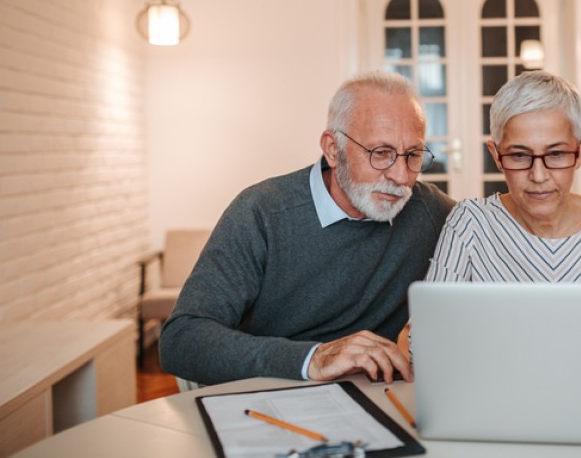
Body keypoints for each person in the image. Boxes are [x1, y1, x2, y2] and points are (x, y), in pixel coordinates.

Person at [159, 70, 455, 386]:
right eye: (380, 153)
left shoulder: (429, 211)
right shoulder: (262, 212)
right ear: (332, 148)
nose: (400, 175)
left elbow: (495, 226)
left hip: (371, 399)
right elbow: (181, 339)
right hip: (265, 392)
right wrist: (313, 358)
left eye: (413, 155)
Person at [422, 70, 581, 361]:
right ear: (496, 155)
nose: (538, 176)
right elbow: (428, 341)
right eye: (519, 156)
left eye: (557, 154)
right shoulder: (469, 223)